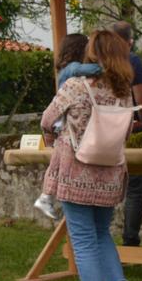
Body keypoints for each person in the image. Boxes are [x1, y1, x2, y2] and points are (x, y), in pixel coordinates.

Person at [39, 29, 137, 281]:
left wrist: (52, 138)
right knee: (101, 232)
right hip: (110, 171)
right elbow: (128, 131)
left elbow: (46, 119)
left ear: (92, 53)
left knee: (82, 239)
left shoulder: (75, 85)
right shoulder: (124, 91)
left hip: (76, 171)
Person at [33, 34, 98, 222]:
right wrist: (108, 65)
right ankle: (46, 197)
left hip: (62, 117)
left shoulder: (65, 69)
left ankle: (46, 196)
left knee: (57, 160)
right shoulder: (73, 69)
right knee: (60, 157)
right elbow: (95, 69)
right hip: (65, 119)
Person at [113, 20, 142, 247]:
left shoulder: (97, 62)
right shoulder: (132, 60)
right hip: (131, 130)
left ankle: (103, 239)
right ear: (130, 41)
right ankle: (130, 239)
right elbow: (141, 99)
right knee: (135, 186)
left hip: (104, 131)